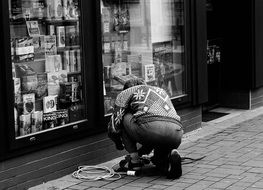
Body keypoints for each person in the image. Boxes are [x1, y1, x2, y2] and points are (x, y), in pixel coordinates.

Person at [108, 78, 184, 179]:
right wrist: (142, 152)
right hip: (176, 133)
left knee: (124, 117)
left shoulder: (126, 92)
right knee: (159, 160)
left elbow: (114, 125)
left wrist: (118, 142)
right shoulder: (161, 91)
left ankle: (135, 163)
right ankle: (171, 155)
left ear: (126, 88)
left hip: (150, 129)